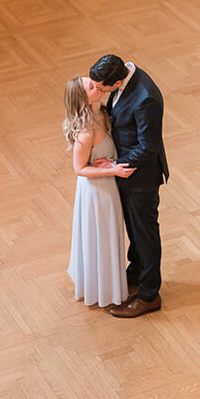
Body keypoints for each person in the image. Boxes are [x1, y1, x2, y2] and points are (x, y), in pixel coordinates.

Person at [86, 52, 169, 317]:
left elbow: (148, 147)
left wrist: (113, 165)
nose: (98, 91)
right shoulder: (124, 77)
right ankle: (135, 271)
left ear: (117, 83)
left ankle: (148, 295)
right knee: (134, 227)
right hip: (125, 173)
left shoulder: (147, 98)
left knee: (145, 234)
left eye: (102, 88)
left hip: (140, 178)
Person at [63, 76, 134, 308]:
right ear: (83, 98)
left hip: (107, 186)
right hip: (96, 192)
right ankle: (102, 289)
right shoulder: (85, 133)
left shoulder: (104, 113)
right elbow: (78, 169)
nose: (98, 86)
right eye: (91, 87)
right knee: (100, 236)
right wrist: (110, 170)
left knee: (108, 235)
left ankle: (109, 283)